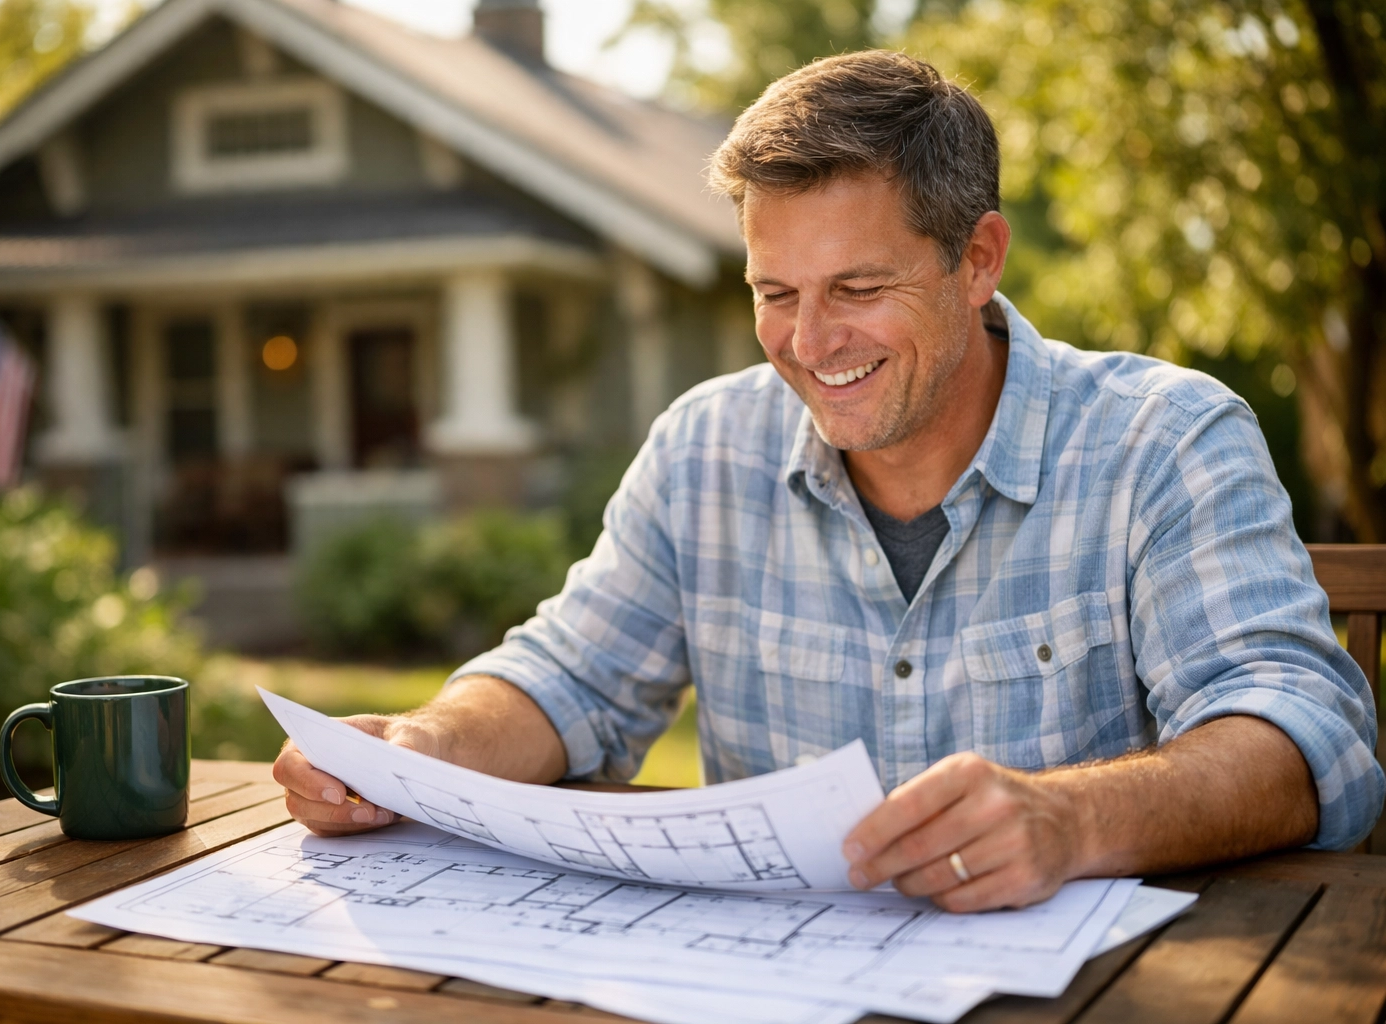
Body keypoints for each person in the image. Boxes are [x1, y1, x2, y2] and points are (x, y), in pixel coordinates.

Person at [275, 50, 1383, 911]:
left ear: (979, 259)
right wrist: (421, 747)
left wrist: (1068, 818)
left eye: (857, 285)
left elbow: (1300, 735)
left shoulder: (1166, 439)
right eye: (774, 290)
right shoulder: (706, 445)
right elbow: (568, 679)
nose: (808, 342)